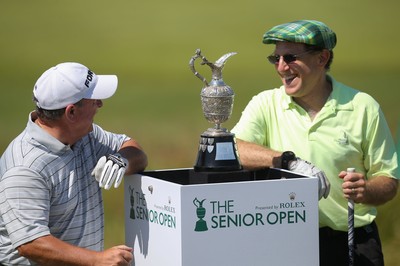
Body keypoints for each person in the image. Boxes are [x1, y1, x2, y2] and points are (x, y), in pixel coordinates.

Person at [231, 20, 399, 266]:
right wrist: (288, 161)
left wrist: (366, 191)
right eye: (275, 58)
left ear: (322, 58)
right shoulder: (265, 103)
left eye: (289, 57)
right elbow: (234, 150)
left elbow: (389, 180)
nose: (281, 67)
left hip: (353, 242)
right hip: (285, 241)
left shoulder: (363, 107)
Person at [0, 62, 148, 265]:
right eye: (93, 99)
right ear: (71, 113)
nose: (100, 104)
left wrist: (122, 159)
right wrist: (98, 260)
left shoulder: (84, 135)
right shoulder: (25, 168)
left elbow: (133, 149)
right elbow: (32, 243)